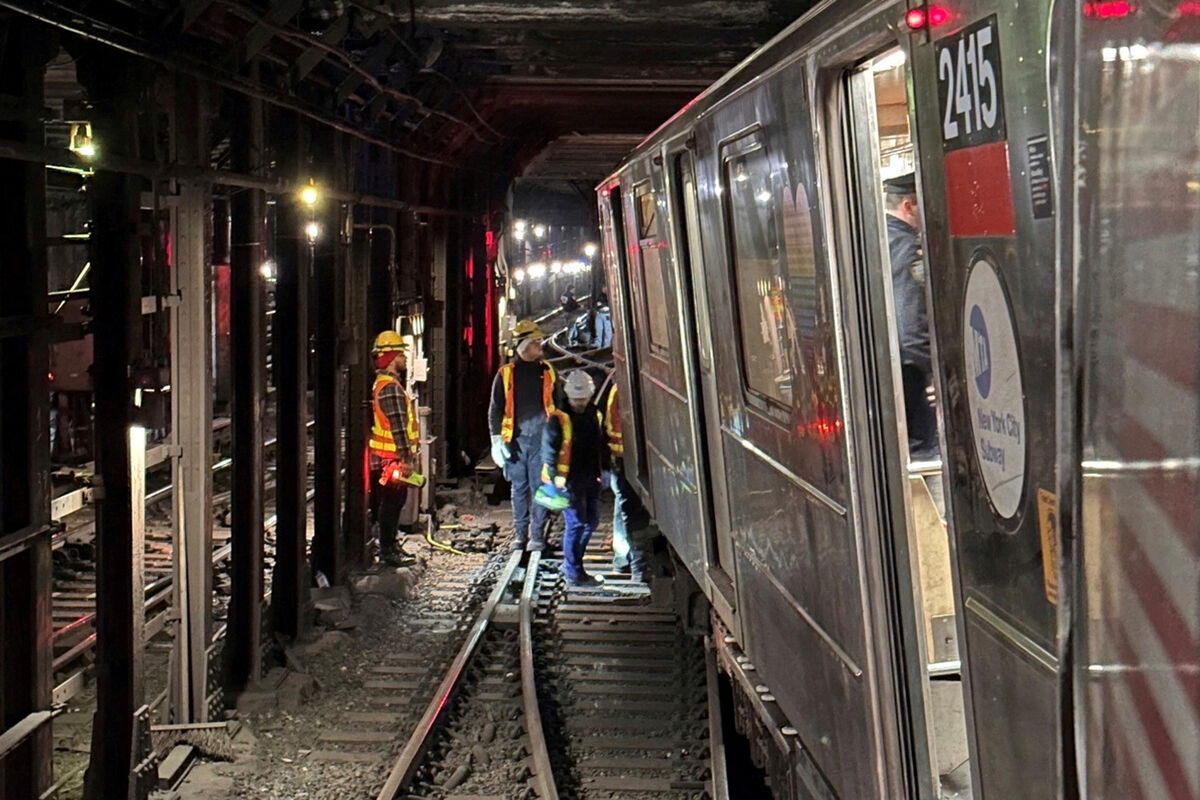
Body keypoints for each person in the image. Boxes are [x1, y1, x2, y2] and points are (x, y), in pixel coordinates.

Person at [489, 319, 558, 550]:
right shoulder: (506, 374)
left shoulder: (548, 372)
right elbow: (495, 409)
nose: (541, 345)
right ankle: (521, 535)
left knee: (539, 487)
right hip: (516, 441)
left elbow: (559, 406)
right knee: (519, 487)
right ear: (524, 345)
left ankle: (536, 537)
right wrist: (496, 440)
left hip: (542, 440)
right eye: (536, 342)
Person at [884, 172, 938, 460]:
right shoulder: (907, 249)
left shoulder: (880, 240)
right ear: (908, 205)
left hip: (891, 376)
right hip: (914, 379)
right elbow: (911, 326)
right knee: (927, 459)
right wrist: (936, 372)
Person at [540, 370, 606, 587]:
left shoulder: (593, 414)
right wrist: (554, 478)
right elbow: (549, 451)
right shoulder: (558, 419)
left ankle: (572, 564)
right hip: (568, 480)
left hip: (589, 476)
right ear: (569, 396)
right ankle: (574, 571)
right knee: (577, 523)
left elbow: (599, 443)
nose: (580, 403)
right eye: (577, 399)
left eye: (583, 399)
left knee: (591, 522)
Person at [369, 330, 424, 566]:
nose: (403, 358)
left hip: (385, 458)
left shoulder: (382, 384)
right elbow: (399, 426)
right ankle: (388, 551)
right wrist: (406, 457)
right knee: (392, 504)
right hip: (391, 459)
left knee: (390, 503)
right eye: (400, 354)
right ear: (391, 357)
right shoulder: (390, 387)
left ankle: (389, 547)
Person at [598, 375, 651, 582]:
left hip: (621, 460)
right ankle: (636, 566)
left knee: (623, 509)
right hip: (623, 461)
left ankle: (622, 560)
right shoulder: (620, 392)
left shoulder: (618, 390)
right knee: (631, 511)